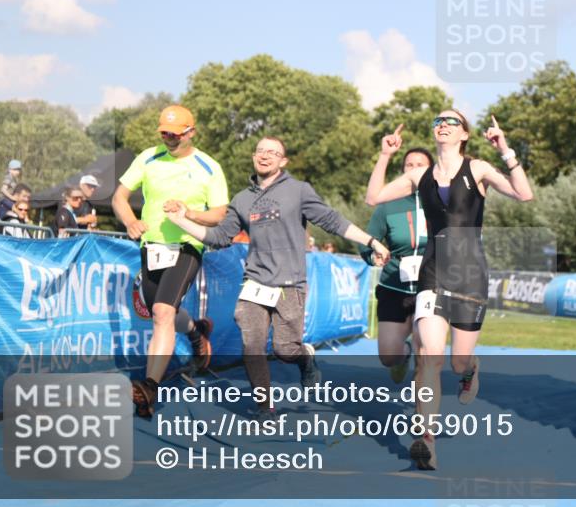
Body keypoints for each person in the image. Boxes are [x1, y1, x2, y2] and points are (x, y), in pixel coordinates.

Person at [166, 136, 390, 416]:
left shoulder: (298, 191)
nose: (265, 155)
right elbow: (220, 237)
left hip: (289, 285)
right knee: (252, 344)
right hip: (254, 283)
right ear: (253, 157)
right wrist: (182, 222)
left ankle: (305, 358)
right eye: (260, 151)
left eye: (272, 152)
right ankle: (265, 406)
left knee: (285, 349)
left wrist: (372, 242)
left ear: (283, 161)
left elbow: (333, 222)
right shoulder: (242, 199)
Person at [365, 110, 534, 469]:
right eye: (438, 121)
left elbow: (524, 194)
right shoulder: (418, 175)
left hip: (470, 273)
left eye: (451, 122)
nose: (442, 125)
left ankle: (470, 367)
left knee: (456, 361)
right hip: (433, 271)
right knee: (429, 354)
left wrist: (505, 149)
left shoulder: (478, 169)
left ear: (465, 134)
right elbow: (373, 197)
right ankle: (426, 439)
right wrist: (385, 156)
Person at [112, 105, 229, 418]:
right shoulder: (148, 157)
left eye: (175, 134)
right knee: (161, 314)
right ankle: (195, 331)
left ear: (191, 131)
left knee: (163, 312)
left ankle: (149, 386)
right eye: (164, 133)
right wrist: (130, 221)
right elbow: (119, 197)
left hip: (187, 246)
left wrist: (188, 213)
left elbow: (219, 213)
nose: (169, 139)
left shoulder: (209, 166)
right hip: (152, 247)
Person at [360, 147, 433, 384]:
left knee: (428, 354)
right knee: (388, 356)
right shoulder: (388, 205)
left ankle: (422, 414)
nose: (414, 169)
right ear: (403, 171)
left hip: (431, 287)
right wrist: (373, 256)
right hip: (394, 286)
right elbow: (367, 242)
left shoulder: (443, 202)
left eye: (420, 165)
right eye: (409, 165)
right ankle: (404, 355)